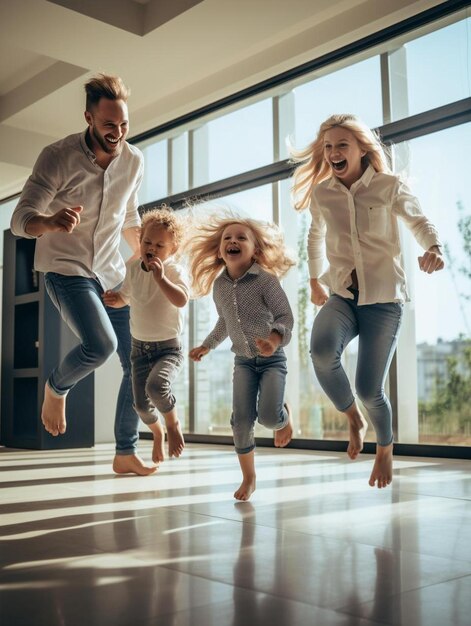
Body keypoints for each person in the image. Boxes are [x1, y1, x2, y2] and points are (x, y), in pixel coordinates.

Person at [10, 73, 156, 476]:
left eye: (124, 124)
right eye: (109, 125)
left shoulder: (134, 159)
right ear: (89, 117)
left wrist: (147, 254)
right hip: (64, 268)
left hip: (110, 270)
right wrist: (49, 221)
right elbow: (19, 219)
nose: (118, 133)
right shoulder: (57, 156)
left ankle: (125, 452)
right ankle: (56, 387)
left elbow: (129, 216)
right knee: (102, 344)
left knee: (137, 362)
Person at [291, 113, 444, 489]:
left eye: (342, 145)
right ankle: (353, 419)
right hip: (343, 293)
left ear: (362, 148)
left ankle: (385, 448)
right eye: (328, 147)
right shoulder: (324, 192)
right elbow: (314, 237)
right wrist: (313, 279)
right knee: (322, 352)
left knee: (368, 388)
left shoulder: (389, 186)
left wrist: (434, 247)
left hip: (384, 299)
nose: (333, 153)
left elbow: (419, 220)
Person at [188, 213, 296, 501]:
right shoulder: (219, 286)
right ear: (220, 250)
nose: (233, 241)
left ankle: (283, 417)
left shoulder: (266, 281)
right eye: (227, 238)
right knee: (241, 422)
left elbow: (286, 315)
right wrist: (207, 346)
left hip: (272, 361)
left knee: (270, 418)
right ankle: (249, 478)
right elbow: (224, 323)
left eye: (241, 238)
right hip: (243, 363)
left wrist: (274, 340)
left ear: (255, 250)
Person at [102, 207, 188, 464]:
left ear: (172, 250)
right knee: (140, 405)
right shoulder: (133, 269)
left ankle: (172, 424)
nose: (152, 247)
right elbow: (126, 297)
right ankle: (157, 430)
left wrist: (161, 278)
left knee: (157, 386)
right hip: (139, 350)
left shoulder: (173, 272)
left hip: (168, 349)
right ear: (139, 242)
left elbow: (181, 299)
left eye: (160, 245)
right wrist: (114, 299)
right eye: (147, 242)